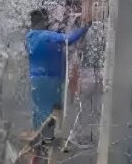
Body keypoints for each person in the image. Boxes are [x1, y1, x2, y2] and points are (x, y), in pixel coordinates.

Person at [25, 8, 91, 136]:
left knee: (39, 111)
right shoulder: (46, 35)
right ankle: (47, 139)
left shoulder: (30, 37)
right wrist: (85, 27)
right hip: (50, 80)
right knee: (53, 111)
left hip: (35, 80)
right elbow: (68, 39)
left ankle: (39, 141)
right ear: (43, 22)